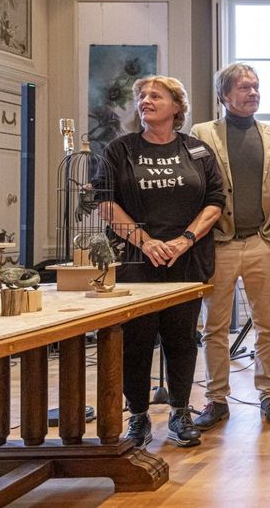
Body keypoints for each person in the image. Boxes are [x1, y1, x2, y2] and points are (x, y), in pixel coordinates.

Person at [96, 75, 224, 448]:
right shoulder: (120, 150)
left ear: (177, 107)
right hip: (136, 262)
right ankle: (137, 416)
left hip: (186, 262)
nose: (146, 101)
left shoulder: (197, 151)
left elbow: (215, 201)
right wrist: (146, 241)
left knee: (182, 340)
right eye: (142, 96)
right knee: (136, 341)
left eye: (156, 95)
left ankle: (181, 413)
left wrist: (184, 241)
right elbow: (105, 203)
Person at [191, 63, 270, 430]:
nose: (253, 93)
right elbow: (195, 187)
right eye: (244, 88)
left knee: (266, 325)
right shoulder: (202, 133)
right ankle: (216, 399)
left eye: (255, 87)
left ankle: (269, 394)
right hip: (217, 244)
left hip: (261, 242)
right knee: (214, 328)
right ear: (224, 95)